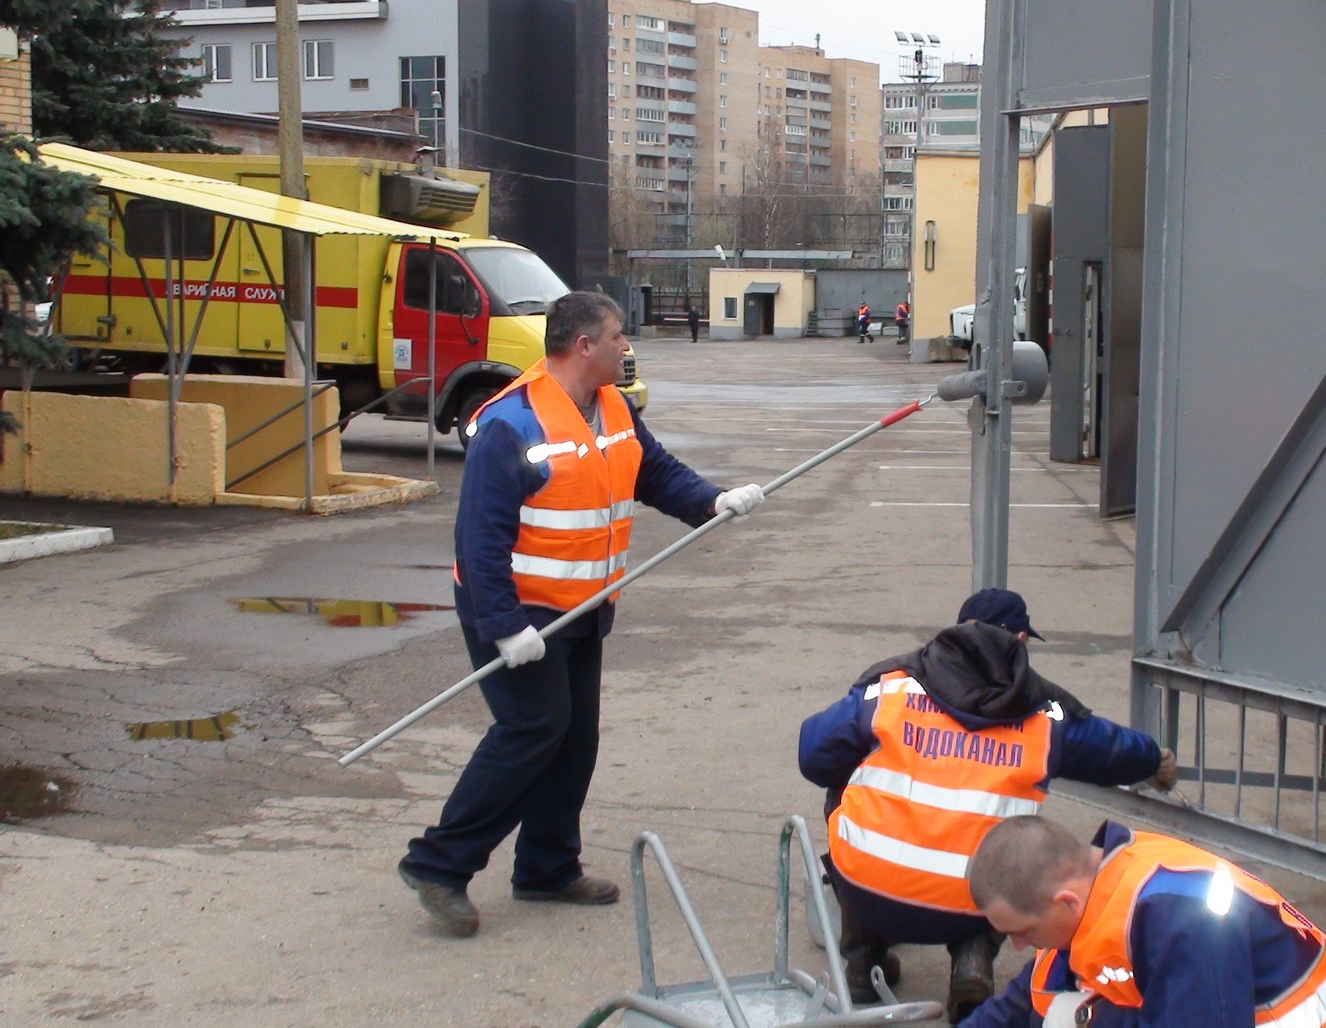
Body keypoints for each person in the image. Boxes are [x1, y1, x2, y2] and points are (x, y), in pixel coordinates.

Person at [398, 291, 766, 938]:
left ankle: (546, 866)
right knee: (533, 728)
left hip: (585, 605)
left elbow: (653, 472)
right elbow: (478, 541)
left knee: (574, 738)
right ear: (583, 346)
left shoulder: (614, 408)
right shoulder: (510, 422)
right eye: (620, 336)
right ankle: (438, 863)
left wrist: (713, 502)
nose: (628, 347)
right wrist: (505, 627)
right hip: (517, 607)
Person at [798, 589, 1177, 1021]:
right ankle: (971, 964)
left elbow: (814, 755)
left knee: (845, 789)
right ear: (1018, 638)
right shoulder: (1044, 718)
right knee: (1012, 843)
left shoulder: (891, 689)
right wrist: (1153, 759)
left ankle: (864, 961)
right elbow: (1110, 749)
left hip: (866, 889)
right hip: (971, 906)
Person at [959, 816, 1326, 1028]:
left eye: (1021, 932)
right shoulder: (1094, 890)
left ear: (1064, 901)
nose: (1016, 947)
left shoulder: (1184, 920)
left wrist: (1092, 1019)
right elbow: (1026, 1001)